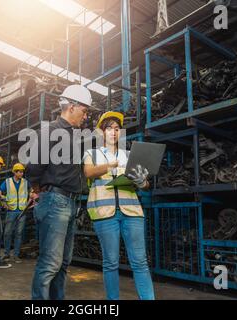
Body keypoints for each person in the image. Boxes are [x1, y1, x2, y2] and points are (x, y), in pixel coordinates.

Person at [26, 84, 92, 300]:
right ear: (71, 106)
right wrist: (38, 191)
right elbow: (33, 168)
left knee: (63, 263)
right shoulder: (51, 131)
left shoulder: (76, 136)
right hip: (55, 200)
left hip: (71, 203)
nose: (86, 116)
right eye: (84, 110)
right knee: (50, 263)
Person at [82, 111, 155, 300]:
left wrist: (141, 181)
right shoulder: (92, 154)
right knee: (111, 263)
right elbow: (89, 172)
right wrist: (110, 165)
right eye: (109, 129)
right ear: (101, 132)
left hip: (132, 212)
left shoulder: (130, 155)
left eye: (116, 129)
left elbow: (146, 186)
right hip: (105, 214)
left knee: (140, 262)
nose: (113, 132)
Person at [0, 163, 31, 264]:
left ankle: (16, 255)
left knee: (19, 233)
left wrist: (30, 199)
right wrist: (3, 203)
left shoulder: (26, 182)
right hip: (11, 211)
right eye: (19, 172)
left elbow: (32, 192)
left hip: (22, 211)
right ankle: (6, 254)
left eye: (22, 172)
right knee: (7, 233)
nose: (21, 174)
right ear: (14, 172)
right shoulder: (7, 182)